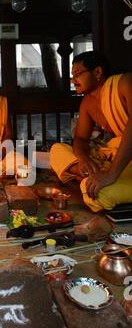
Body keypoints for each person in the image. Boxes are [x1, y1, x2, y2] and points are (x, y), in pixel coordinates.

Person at [50, 50, 132, 212]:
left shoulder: (125, 83)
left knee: (98, 194)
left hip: (125, 160)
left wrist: (111, 174)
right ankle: (91, 176)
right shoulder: (87, 103)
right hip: (115, 156)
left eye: (78, 74)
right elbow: (80, 139)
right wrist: (84, 159)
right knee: (57, 150)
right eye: (73, 76)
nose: (74, 80)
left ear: (98, 72)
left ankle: (94, 180)